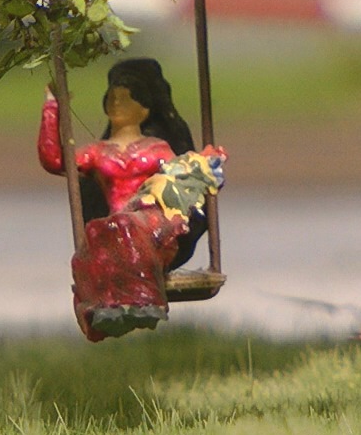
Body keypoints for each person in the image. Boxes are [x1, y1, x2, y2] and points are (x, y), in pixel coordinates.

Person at [38, 58, 224, 340]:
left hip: (155, 229)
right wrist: (52, 107)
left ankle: (143, 298)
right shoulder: (98, 152)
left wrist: (204, 169)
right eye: (112, 98)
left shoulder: (158, 149)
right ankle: (107, 308)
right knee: (102, 229)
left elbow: (185, 177)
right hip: (116, 228)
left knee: (125, 225)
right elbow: (54, 160)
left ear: (145, 107)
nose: (116, 104)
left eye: (125, 99)